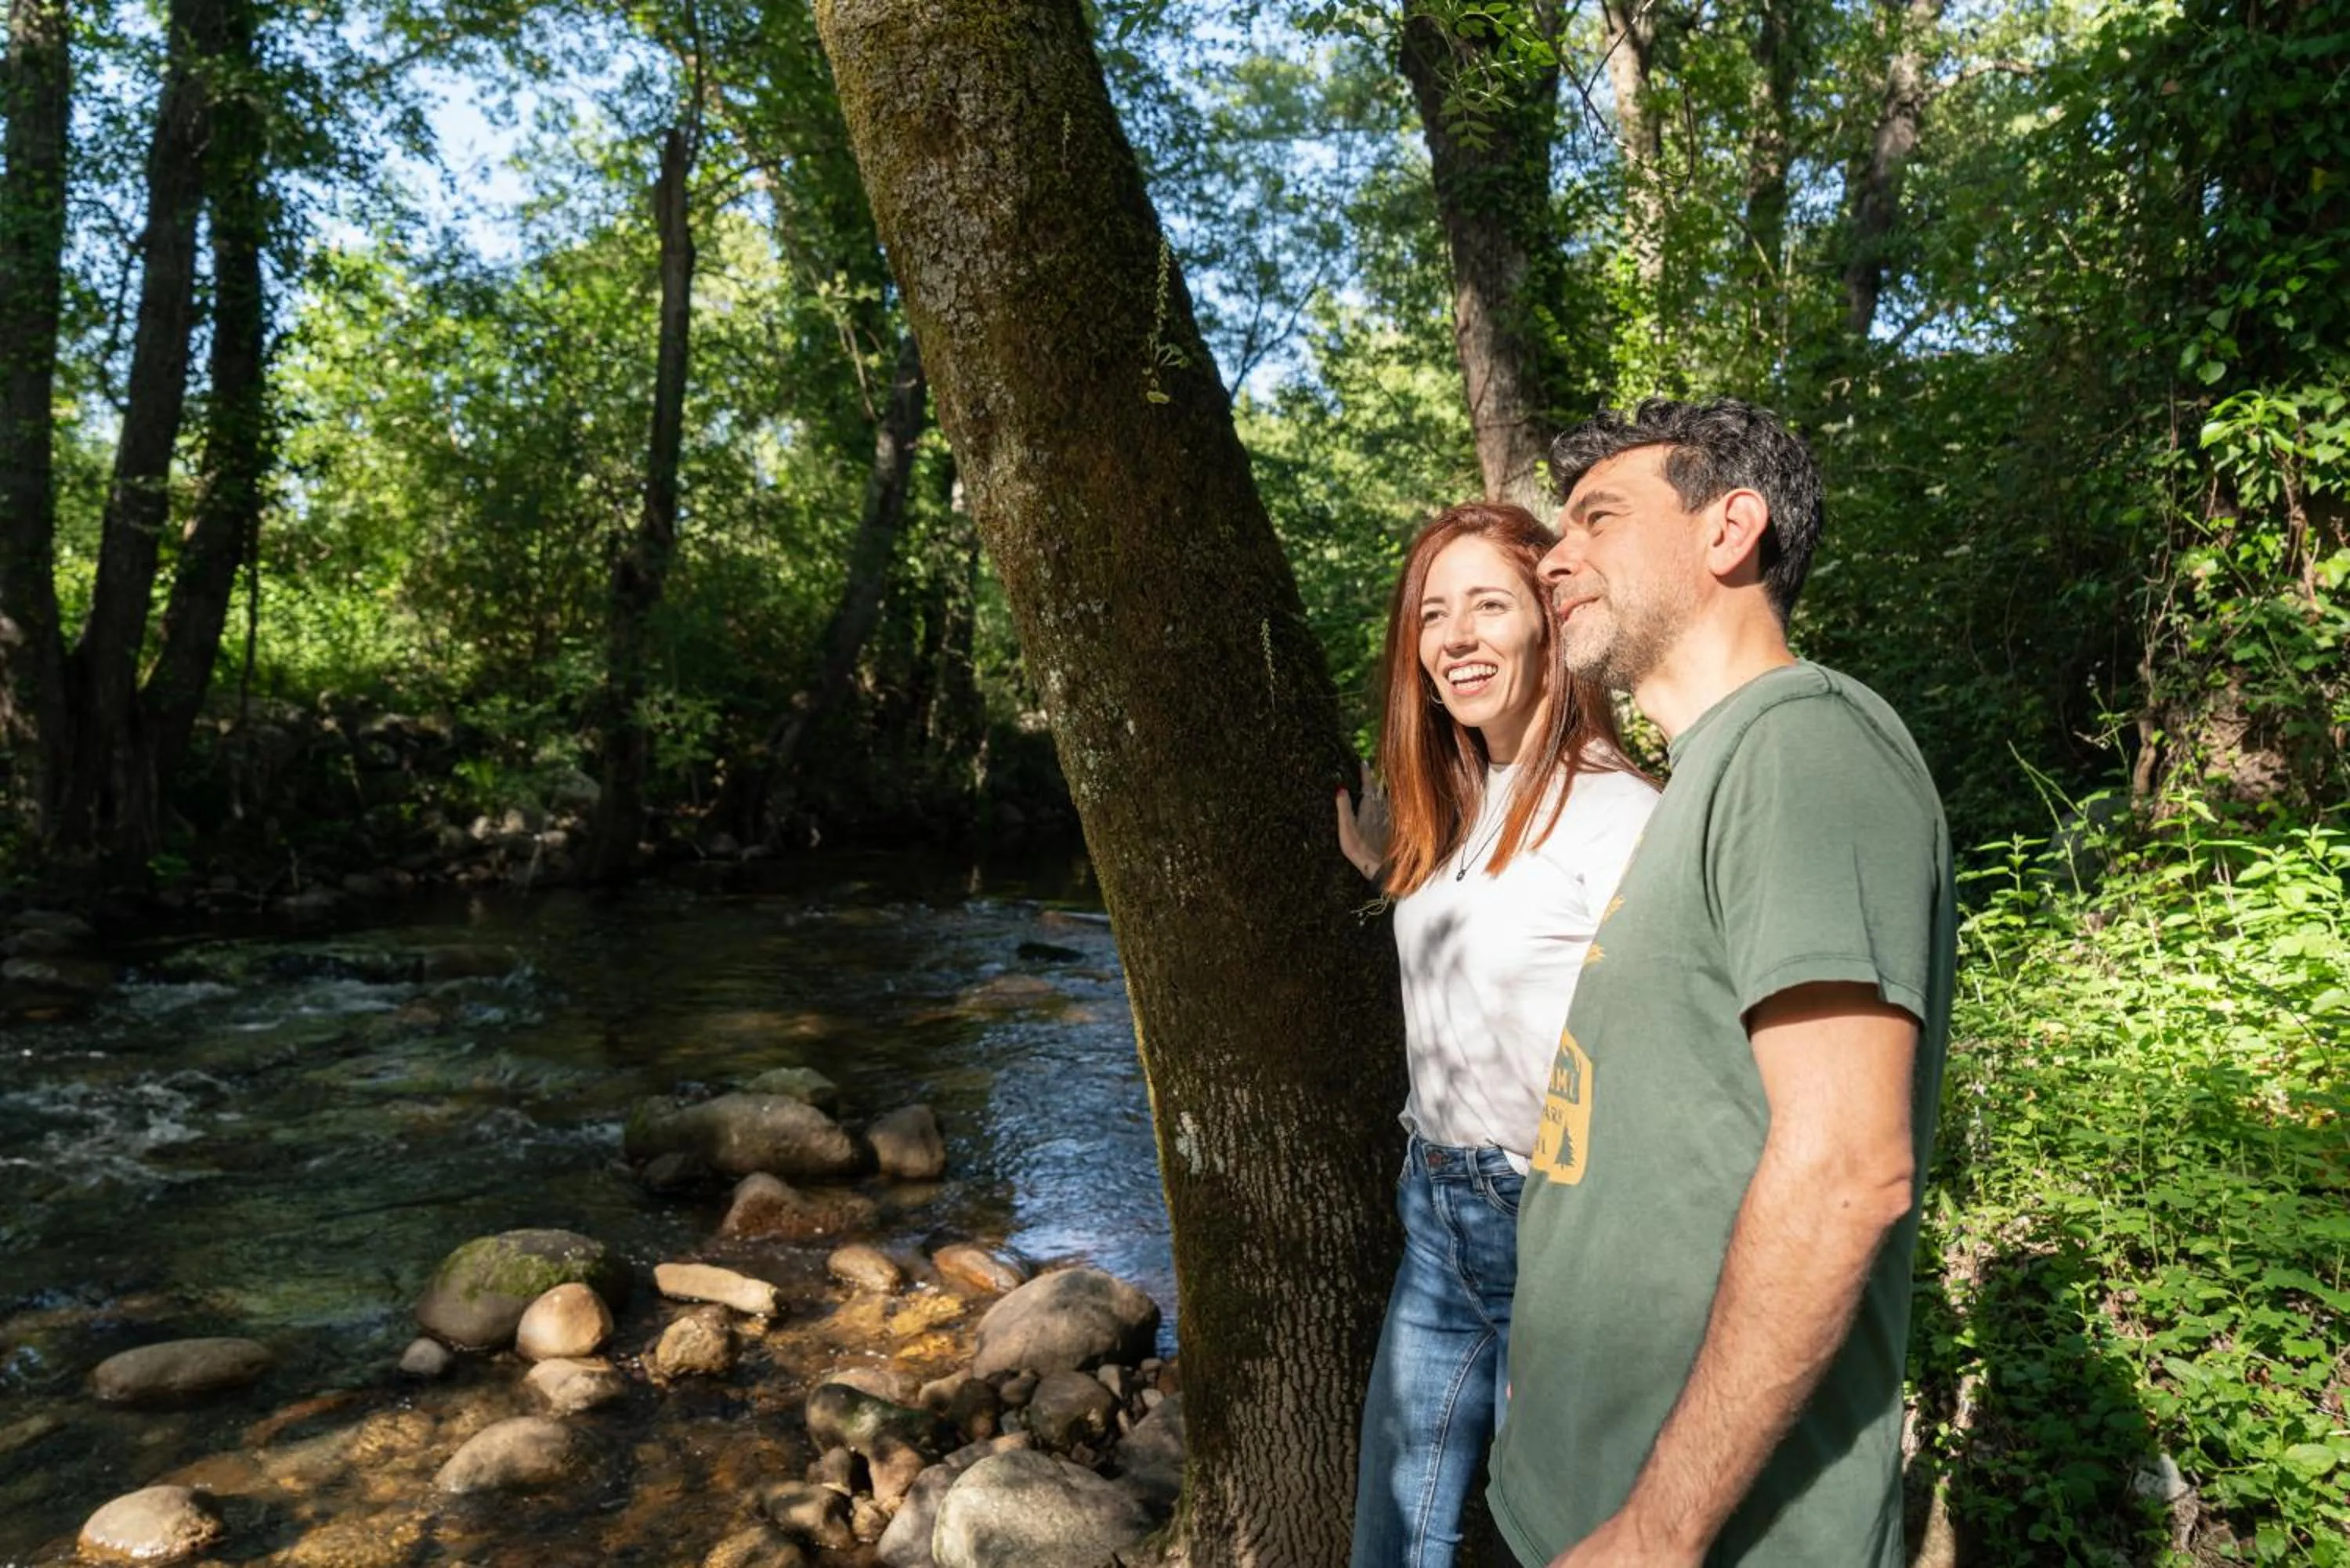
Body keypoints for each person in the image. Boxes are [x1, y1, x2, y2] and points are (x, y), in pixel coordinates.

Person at [1484, 398, 1956, 1567]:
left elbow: (1849, 1171)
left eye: (1597, 515)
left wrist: (1659, 1530)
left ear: (1729, 528)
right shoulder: (1707, 772)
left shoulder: (1805, 745)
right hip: (1570, 1499)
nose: (1555, 556)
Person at [1335, 500, 1659, 1568]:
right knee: (1392, 1540)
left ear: (1550, 622)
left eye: (1488, 604)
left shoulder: (1625, 818)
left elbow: (1671, 1060)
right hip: (1435, 1217)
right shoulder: (1462, 804)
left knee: (1552, 1543)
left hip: (1555, 1230)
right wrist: (1395, 870)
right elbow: (1492, 941)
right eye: (1434, 613)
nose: (1455, 637)